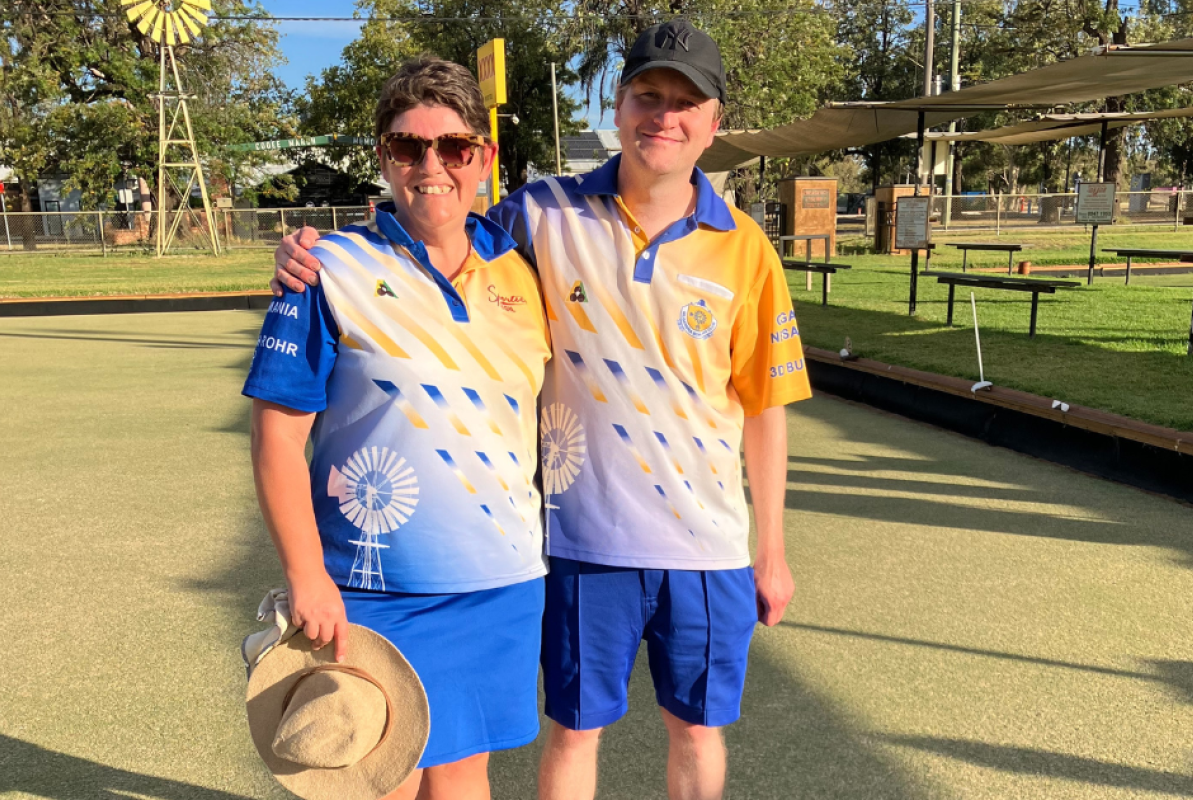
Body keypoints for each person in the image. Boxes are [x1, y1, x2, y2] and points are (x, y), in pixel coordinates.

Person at [273, 20, 811, 800]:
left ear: (713, 123)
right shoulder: (538, 215)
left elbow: (764, 408)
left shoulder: (749, 249)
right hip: (579, 544)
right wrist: (309, 255)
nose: (664, 115)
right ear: (619, 107)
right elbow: (436, 235)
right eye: (647, 96)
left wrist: (773, 548)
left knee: (698, 728)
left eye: (685, 102)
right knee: (574, 731)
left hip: (711, 545)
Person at [246, 55, 551, 800]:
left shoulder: (525, 269)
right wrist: (307, 576)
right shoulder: (328, 270)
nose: (431, 166)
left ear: (484, 157)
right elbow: (277, 438)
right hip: (373, 589)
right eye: (407, 147)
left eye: (453, 147)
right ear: (383, 156)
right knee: (374, 783)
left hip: (501, 581)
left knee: (464, 775)